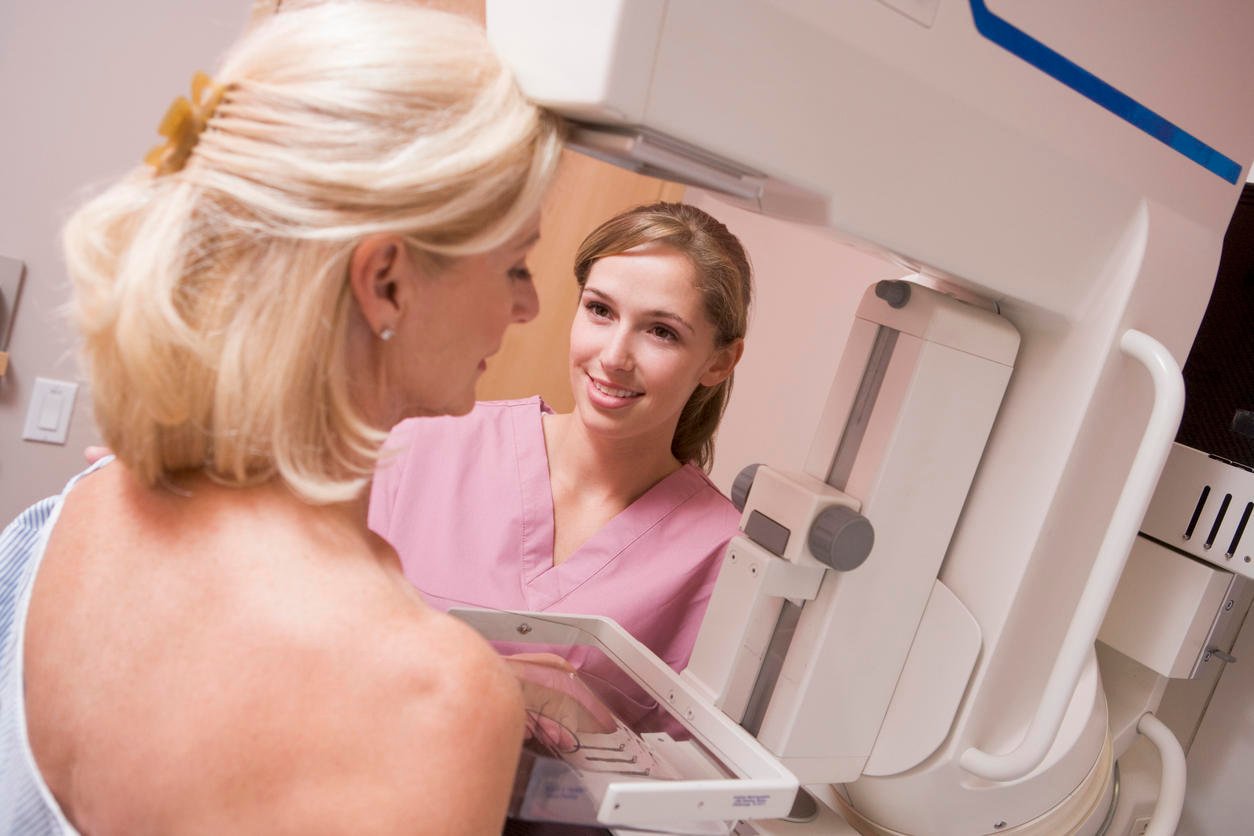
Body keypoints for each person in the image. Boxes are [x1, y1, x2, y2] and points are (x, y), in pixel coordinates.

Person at [0, 3, 563, 834]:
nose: (529, 306)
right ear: (386, 282)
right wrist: (453, 705)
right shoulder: (434, 699)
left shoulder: (73, 513)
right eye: (515, 264)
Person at [369, 202, 752, 729]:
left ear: (719, 361)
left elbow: (690, 763)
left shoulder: (723, 554)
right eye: (600, 310)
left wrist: (585, 720)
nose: (614, 356)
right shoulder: (425, 442)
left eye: (661, 332)